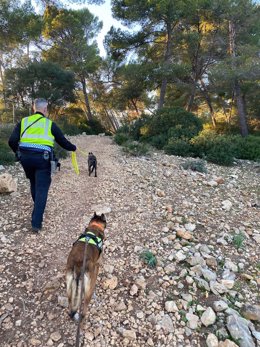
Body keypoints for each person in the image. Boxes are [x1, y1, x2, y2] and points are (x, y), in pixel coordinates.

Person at [8, 98, 77, 233]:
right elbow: (63, 141)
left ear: (34, 108)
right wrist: (73, 147)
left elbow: (12, 141)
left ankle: (37, 208)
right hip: (42, 159)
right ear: (45, 109)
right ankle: (36, 223)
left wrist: (18, 152)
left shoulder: (23, 122)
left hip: (25, 159)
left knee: (34, 183)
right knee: (42, 188)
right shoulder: (49, 124)